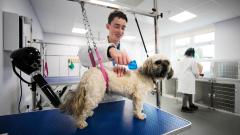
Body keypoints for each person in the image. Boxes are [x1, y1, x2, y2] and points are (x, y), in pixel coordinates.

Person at [78, 10, 131, 77]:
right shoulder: (98, 45)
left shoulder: (124, 50)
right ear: (108, 26)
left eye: (123, 28)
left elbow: (130, 69)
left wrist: (124, 70)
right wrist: (110, 50)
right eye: (117, 26)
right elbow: (82, 54)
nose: (120, 31)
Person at [176, 48, 203, 113]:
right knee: (187, 93)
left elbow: (179, 69)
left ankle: (191, 104)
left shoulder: (182, 60)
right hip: (188, 78)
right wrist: (199, 75)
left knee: (189, 92)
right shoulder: (192, 60)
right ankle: (184, 107)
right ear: (192, 53)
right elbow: (195, 71)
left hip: (183, 78)